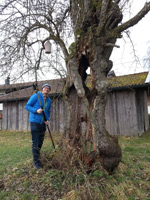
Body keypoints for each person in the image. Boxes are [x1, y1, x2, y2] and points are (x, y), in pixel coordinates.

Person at [25, 83, 51, 169]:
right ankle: (36, 163)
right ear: (42, 89)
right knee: (36, 143)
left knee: (40, 142)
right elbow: (27, 106)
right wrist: (36, 110)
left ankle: (38, 158)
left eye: (48, 88)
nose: (46, 89)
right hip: (35, 123)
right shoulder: (36, 96)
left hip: (43, 124)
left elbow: (48, 112)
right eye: (45, 88)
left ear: (49, 91)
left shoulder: (49, 100)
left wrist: (47, 120)